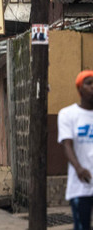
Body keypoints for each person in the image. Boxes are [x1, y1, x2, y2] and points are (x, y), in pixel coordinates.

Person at [58, 70, 93, 230]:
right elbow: (67, 144)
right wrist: (78, 168)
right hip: (81, 185)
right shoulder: (68, 114)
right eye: (89, 83)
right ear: (79, 89)